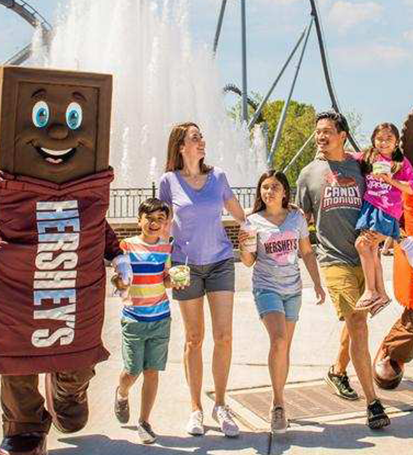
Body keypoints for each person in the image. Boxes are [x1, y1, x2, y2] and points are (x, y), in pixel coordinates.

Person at [296, 111, 390, 430]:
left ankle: (337, 371)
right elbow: (299, 221)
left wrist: (385, 231)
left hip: (365, 256)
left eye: (327, 132)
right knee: (358, 324)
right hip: (333, 260)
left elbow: (383, 198)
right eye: (318, 132)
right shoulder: (308, 174)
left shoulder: (361, 167)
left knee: (356, 322)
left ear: (342, 136)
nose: (321, 137)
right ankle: (373, 404)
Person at [158, 122, 247, 438]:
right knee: (193, 338)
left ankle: (220, 404)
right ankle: (195, 408)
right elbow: (163, 227)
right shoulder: (168, 181)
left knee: (223, 336)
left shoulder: (218, 177)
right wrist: (164, 266)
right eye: (195, 137)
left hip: (221, 262)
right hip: (184, 265)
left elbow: (240, 215)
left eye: (201, 136)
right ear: (181, 146)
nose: (201, 141)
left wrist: (274, 217)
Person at [238, 170, 326, 434]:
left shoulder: (296, 218)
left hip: (293, 290)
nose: (269, 192)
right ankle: (277, 405)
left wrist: (317, 283)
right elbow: (249, 262)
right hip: (266, 288)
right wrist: (244, 247)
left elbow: (307, 252)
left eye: (275, 186)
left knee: (284, 347)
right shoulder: (252, 222)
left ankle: (281, 398)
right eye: (264, 187)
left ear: (285, 191)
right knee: (278, 340)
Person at [112, 199, 185, 444]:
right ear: (139, 219)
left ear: (165, 223)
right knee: (132, 370)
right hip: (133, 318)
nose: (154, 224)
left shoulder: (165, 249)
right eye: (149, 218)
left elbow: (163, 278)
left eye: (159, 220)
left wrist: (173, 281)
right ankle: (122, 393)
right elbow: (118, 278)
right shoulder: (127, 246)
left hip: (161, 318)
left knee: (152, 371)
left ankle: (144, 421)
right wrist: (120, 283)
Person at [353, 123, 413, 316]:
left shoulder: (401, 162)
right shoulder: (368, 157)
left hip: (387, 211)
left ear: (396, 142)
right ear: (373, 140)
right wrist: (324, 155)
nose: (383, 142)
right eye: (380, 138)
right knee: (372, 250)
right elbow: (347, 156)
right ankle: (381, 295)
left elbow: (412, 187)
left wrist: (389, 179)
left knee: (362, 245)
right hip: (369, 209)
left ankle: (370, 291)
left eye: (389, 139)